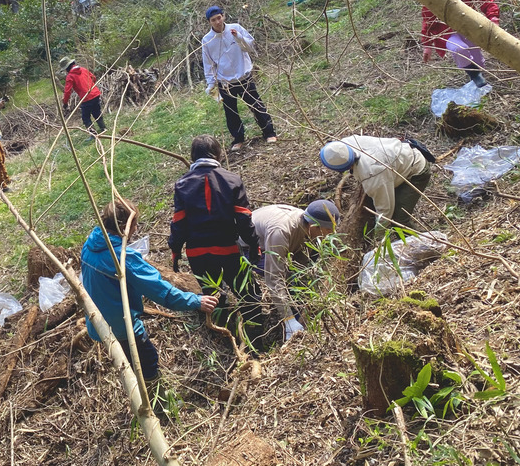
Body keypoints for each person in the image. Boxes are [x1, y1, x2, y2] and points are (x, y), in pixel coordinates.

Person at [81, 198, 218, 381]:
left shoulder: (90, 245)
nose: (136, 229)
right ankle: (153, 401)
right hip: (123, 328)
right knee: (147, 363)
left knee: (127, 363)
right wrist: (195, 301)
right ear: (125, 227)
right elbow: (161, 292)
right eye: (135, 224)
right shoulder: (123, 259)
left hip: (98, 325)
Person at [168, 135, 261, 327]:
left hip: (197, 253)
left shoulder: (182, 184)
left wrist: (175, 250)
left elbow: (179, 222)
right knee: (249, 296)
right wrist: (253, 244)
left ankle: (226, 337)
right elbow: (244, 219)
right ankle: (256, 340)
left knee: (213, 297)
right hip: (227, 249)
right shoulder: (232, 180)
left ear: (193, 156)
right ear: (218, 154)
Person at [251, 200, 339, 342]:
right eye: (328, 231)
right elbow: (274, 278)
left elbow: (301, 267)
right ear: (314, 226)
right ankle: (289, 324)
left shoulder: (309, 228)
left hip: (288, 241)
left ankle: (300, 321)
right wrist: (289, 319)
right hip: (251, 246)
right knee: (282, 278)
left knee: (295, 280)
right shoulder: (280, 231)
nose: (330, 235)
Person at [201, 6, 277, 152]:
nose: (217, 21)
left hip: (244, 76)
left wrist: (238, 37)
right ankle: (238, 138)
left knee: (256, 105)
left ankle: (269, 132)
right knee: (231, 112)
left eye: (219, 17)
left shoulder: (235, 28)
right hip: (225, 82)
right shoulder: (207, 40)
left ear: (223, 16)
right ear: (209, 22)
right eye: (213, 20)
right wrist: (211, 84)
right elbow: (208, 63)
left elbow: (250, 47)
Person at [319, 136, 432, 233]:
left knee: (398, 220)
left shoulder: (373, 175)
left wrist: (377, 237)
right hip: (397, 161)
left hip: (416, 171)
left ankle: (425, 246)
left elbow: (385, 212)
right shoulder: (344, 144)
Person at [420, 0, 498, 88]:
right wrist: (427, 45)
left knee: (477, 59)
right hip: (446, 31)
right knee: (459, 49)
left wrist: (493, 17)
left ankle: (479, 72)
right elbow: (428, 19)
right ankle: (474, 74)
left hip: (469, 25)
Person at [60, 57, 106, 134]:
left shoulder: (70, 76)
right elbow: (93, 77)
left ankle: (93, 134)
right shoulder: (83, 69)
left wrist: (65, 103)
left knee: (85, 117)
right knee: (96, 112)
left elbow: (67, 91)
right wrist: (91, 87)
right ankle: (103, 128)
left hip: (86, 98)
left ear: (67, 67)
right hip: (95, 94)